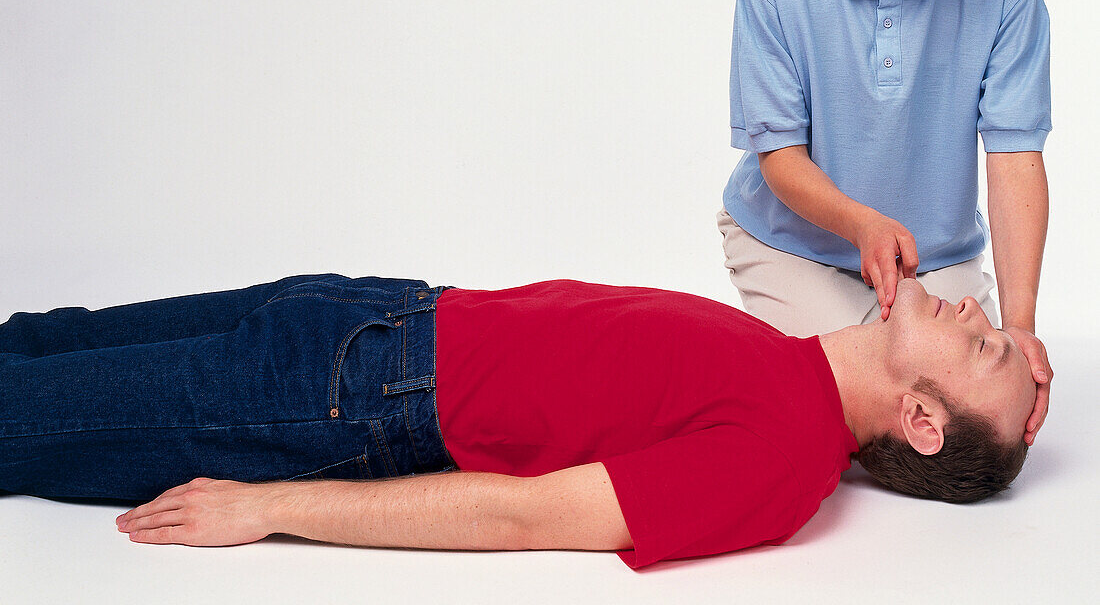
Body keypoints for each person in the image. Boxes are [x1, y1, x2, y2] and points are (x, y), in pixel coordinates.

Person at [1, 271, 1034, 568]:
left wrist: (271, 505)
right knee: (41, 339)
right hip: (377, 313)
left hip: (348, 397)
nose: (978, 314)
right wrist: (1018, 380)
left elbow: (526, 515)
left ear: (920, 420)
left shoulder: (781, 460)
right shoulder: (794, 361)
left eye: (982, 348)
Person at [717, 0, 1052, 444]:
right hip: (792, 246)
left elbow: (1016, 159)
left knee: (986, 424)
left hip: (937, 263)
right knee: (854, 427)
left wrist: (1018, 329)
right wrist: (863, 225)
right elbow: (779, 154)